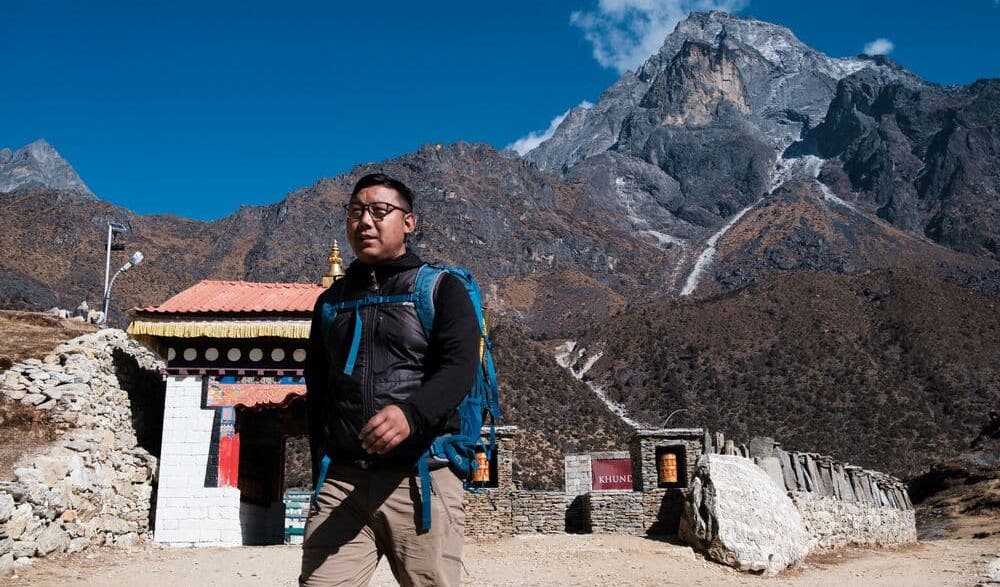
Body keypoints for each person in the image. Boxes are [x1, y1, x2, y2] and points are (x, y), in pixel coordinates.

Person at [301, 172, 479, 587]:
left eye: (380, 211)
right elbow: (319, 389)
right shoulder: (331, 302)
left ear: (409, 222)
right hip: (342, 481)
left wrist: (411, 414)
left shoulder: (441, 289)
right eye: (355, 211)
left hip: (421, 477)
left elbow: (459, 369)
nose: (365, 221)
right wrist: (320, 467)